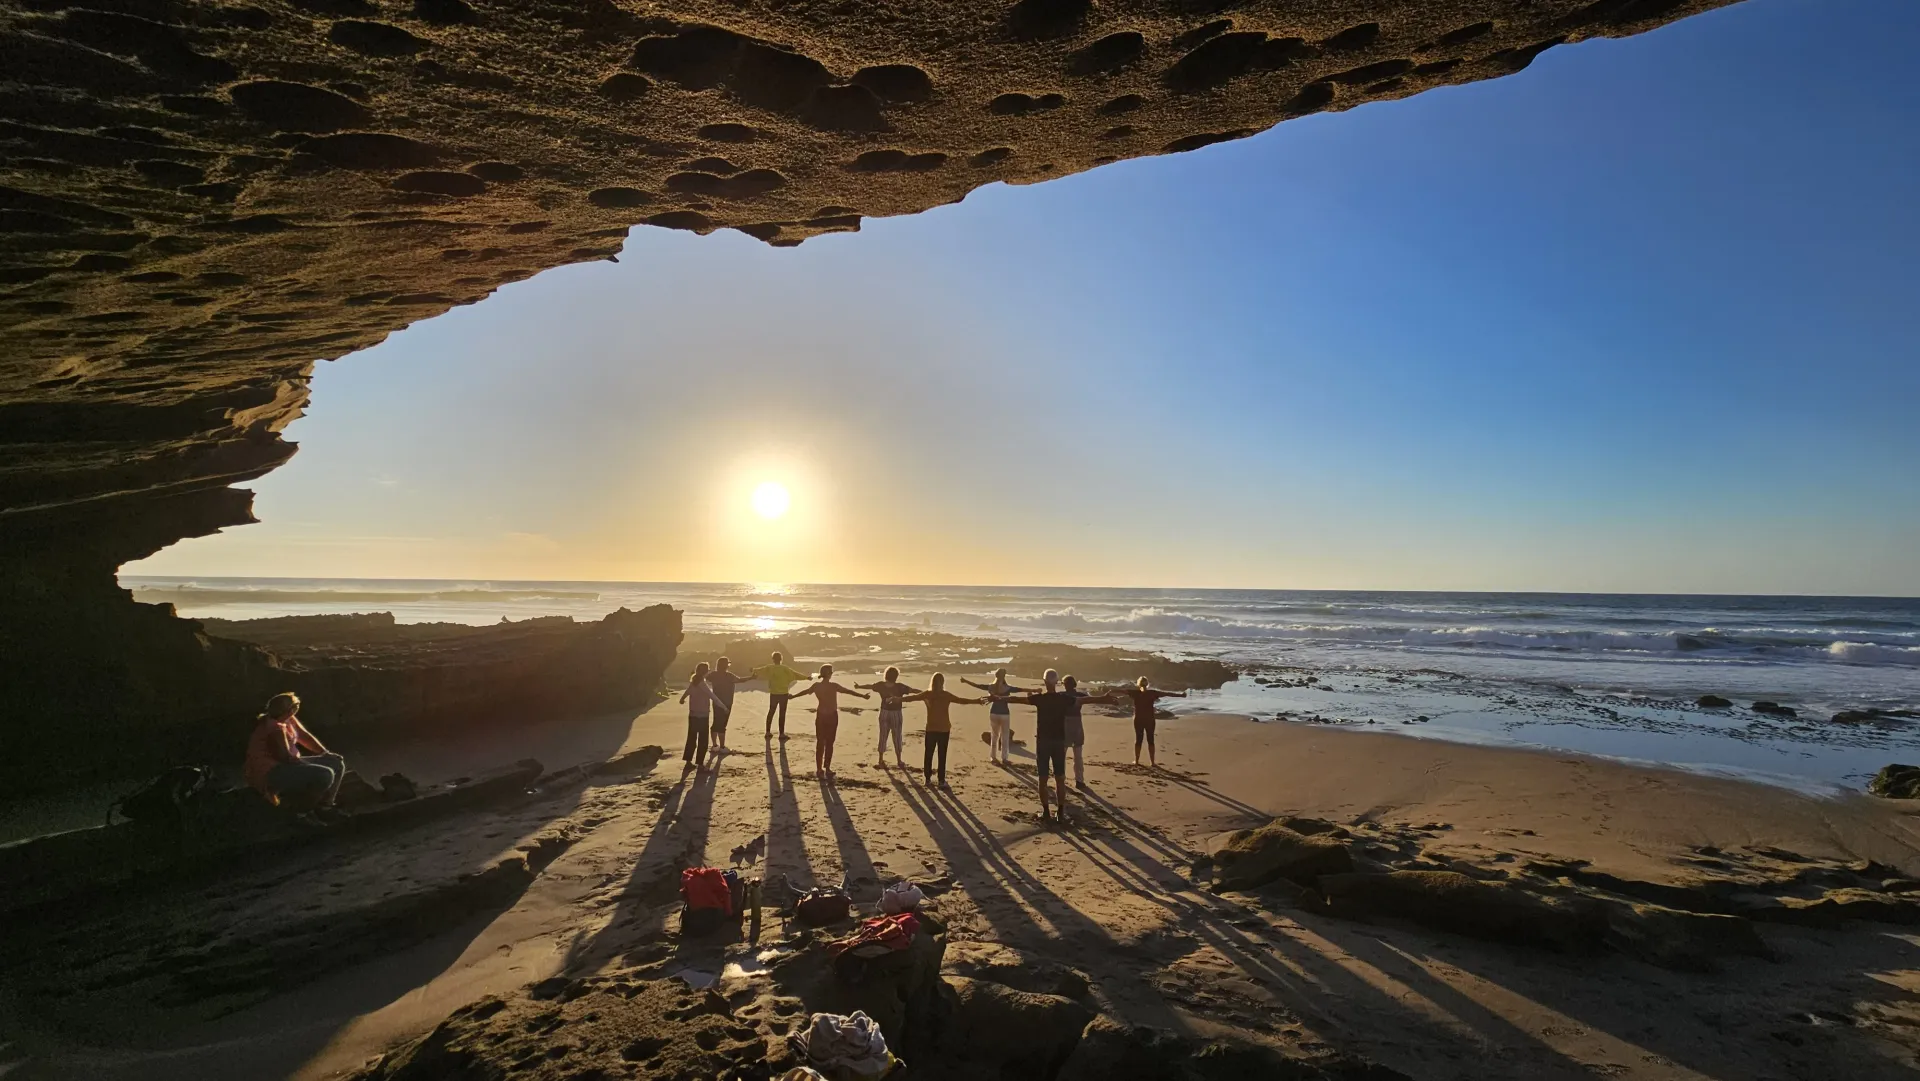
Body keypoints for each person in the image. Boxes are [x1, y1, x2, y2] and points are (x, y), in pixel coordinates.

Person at [244, 692, 348, 819]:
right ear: (291, 709)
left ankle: (325, 806)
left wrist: (325, 753)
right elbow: (285, 758)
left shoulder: (288, 718)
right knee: (325, 774)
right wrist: (311, 768)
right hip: (270, 772)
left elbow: (303, 736)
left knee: (335, 763)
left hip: (287, 763)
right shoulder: (273, 728)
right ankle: (302, 813)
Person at [1018, 670, 1080, 824]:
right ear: (1057, 682)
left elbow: (1016, 699)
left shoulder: (1040, 699)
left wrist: (999, 698)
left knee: (1043, 779)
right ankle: (1060, 812)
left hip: (1043, 742)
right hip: (1059, 741)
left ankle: (1046, 811)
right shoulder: (1063, 698)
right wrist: (1103, 698)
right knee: (1060, 778)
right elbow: (1084, 700)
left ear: (1045, 682)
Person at [789, 664, 870, 780]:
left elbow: (804, 692)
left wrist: (793, 697)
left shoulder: (816, 686)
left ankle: (819, 769)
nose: (832, 674)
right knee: (829, 743)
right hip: (831, 716)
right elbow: (848, 691)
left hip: (821, 715)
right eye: (831, 672)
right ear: (828, 674)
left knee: (820, 742)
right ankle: (827, 768)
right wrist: (862, 696)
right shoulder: (833, 686)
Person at [903, 673, 983, 787]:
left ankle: (927, 779)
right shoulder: (945, 695)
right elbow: (961, 701)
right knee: (942, 755)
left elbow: (911, 698)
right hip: (944, 729)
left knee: (929, 754)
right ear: (943, 682)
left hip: (931, 729)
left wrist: (897, 699)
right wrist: (976, 701)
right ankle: (941, 781)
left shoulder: (928, 694)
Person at [963, 668, 1033, 766]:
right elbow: (1020, 689)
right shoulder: (1007, 688)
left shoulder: (991, 687)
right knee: (1004, 737)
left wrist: (966, 681)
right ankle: (1004, 758)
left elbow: (978, 686)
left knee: (994, 736)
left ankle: (993, 757)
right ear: (1004, 676)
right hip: (1004, 714)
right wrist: (1034, 690)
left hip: (994, 713)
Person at [1061, 675, 1117, 790]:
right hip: (1076, 725)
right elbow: (1094, 699)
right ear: (1075, 685)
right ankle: (1079, 781)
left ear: (1065, 685)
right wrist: (1108, 700)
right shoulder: (1079, 695)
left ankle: (1061, 778)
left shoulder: (1061, 695)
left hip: (1064, 725)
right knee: (1078, 755)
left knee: (1062, 755)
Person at [857, 666, 919, 768]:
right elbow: (913, 690)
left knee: (883, 735)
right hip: (896, 713)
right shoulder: (900, 687)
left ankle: (881, 759)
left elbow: (870, 686)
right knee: (897, 736)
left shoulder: (881, 685)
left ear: (886, 675)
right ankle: (899, 760)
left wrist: (859, 686)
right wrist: (927, 693)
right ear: (896, 676)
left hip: (884, 712)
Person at [1123, 677, 1187, 767]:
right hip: (1150, 719)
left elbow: (1121, 691)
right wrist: (1180, 695)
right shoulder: (1152, 693)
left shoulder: (1135, 693)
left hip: (1138, 719)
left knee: (1138, 739)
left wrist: (1108, 690)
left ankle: (1136, 761)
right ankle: (1152, 762)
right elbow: (1167, 693)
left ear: (1138, 684)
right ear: (1147, 684)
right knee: (1151, 740)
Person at [754, 651, 808, 741]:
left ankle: (767, 732)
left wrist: (753, 670)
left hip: (774, 694)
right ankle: (781, 734)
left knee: (771, 712)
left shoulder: (770, 668)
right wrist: (806, 677)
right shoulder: (784, 668)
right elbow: (795, 674)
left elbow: (761, 670)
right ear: (781, 659)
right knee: (782, 714)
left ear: (773, 659)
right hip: (783, 694)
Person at [704, 656, 751, 756]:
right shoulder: (729, 676)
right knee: (723, 724)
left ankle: (714, 745)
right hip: (727, 702)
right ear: (726, 665)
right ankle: (722, 747)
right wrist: (752, 677)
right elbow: (740, 680)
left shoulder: (713, 675)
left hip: (716, 702)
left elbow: (705, 678)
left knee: (716, 722)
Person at [679, 663, 715, 772]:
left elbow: (687, 692)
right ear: (706, 671)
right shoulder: (702, 684)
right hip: (702, 716)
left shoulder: (693, 682)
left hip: (693, 715)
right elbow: (712, 696)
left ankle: (688, 762)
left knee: (691, 738)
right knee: (703, 740)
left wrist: (682, 699)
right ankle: (700, 764)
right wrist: (723, 707)